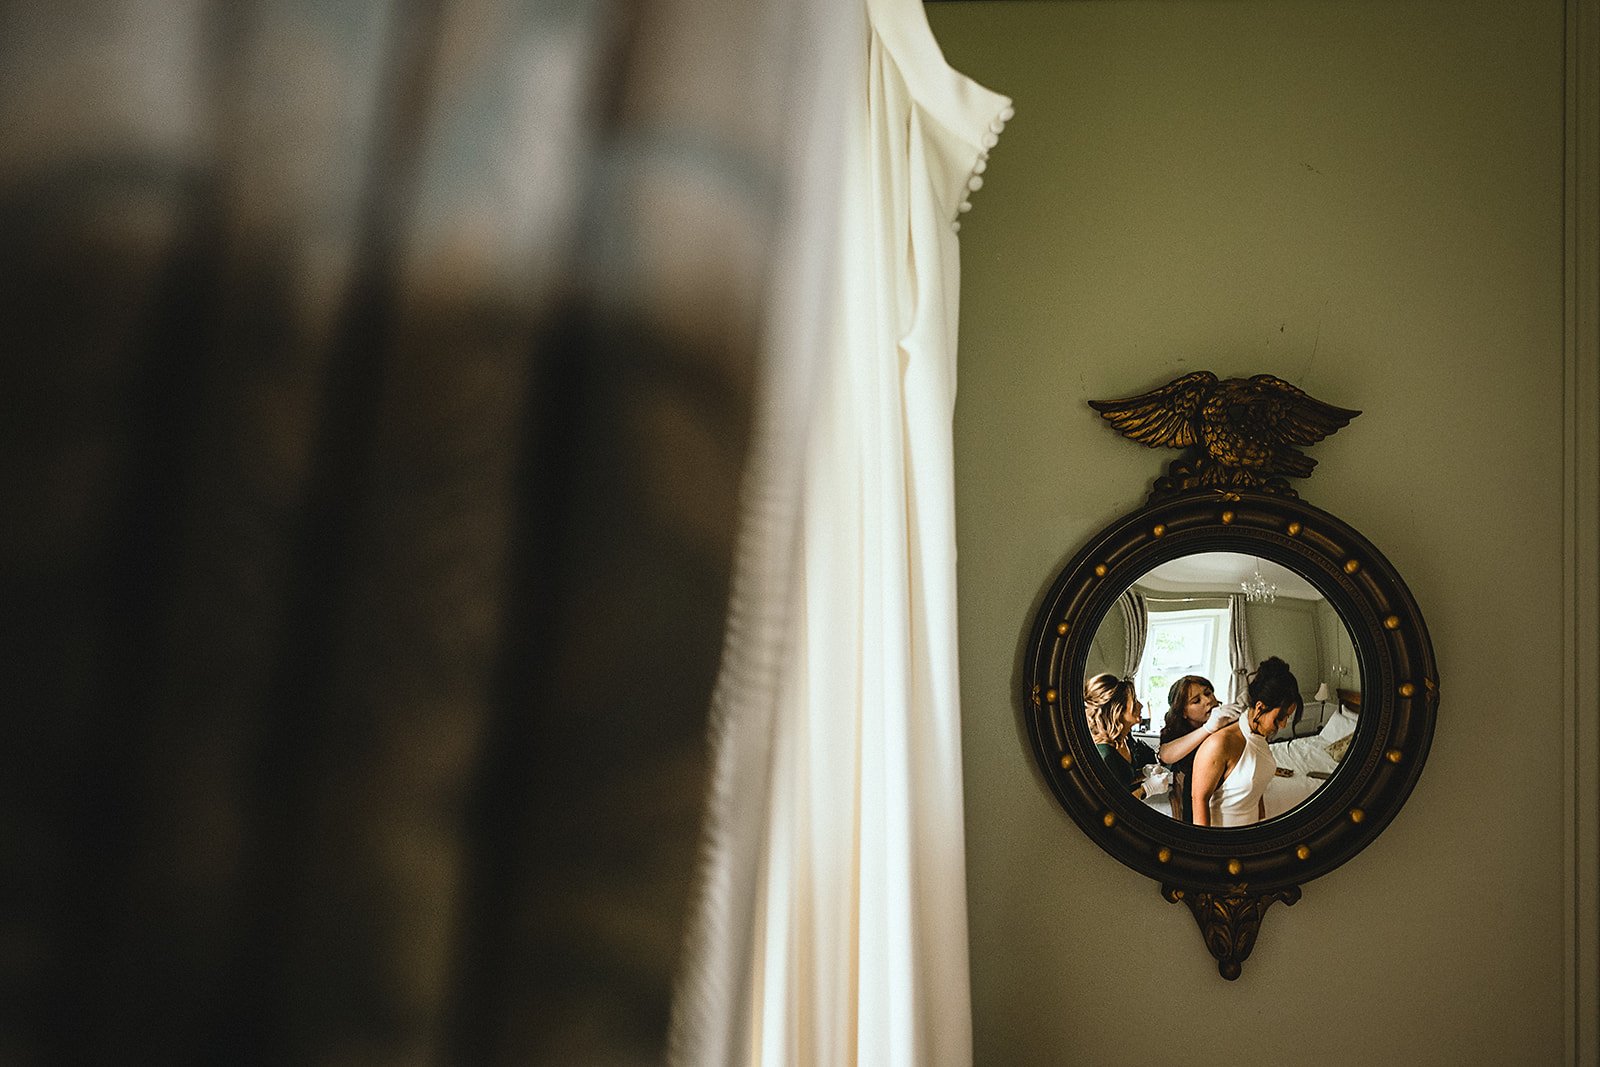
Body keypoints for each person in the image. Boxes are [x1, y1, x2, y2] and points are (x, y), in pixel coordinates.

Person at [1191, 657, 1302, 827]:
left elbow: (1257, 790)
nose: (1283, 724)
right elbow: (1199, 800)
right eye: (1280, 717)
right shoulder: (1219, 743)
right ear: (1260, 707)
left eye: (1287, 717)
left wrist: (1261, 822)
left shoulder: (1260, 737)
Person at [1156, 675, 1239, 823]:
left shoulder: (1226, 720)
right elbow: (1165, 755)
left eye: (1207, 693)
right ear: (1183, 712)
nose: (1208, 701)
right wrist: (1208, 728)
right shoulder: (1175, 732)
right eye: (1196, 701)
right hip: (1193, 799)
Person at [1084, 674, 1159, 799]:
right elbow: (1113, 804)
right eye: (1134, 702)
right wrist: (1146, 789)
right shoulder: (1105, 754)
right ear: (1117, 711)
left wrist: (1143, 773)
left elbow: (1121, 779)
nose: (1141, 705)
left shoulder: (1125, 738)